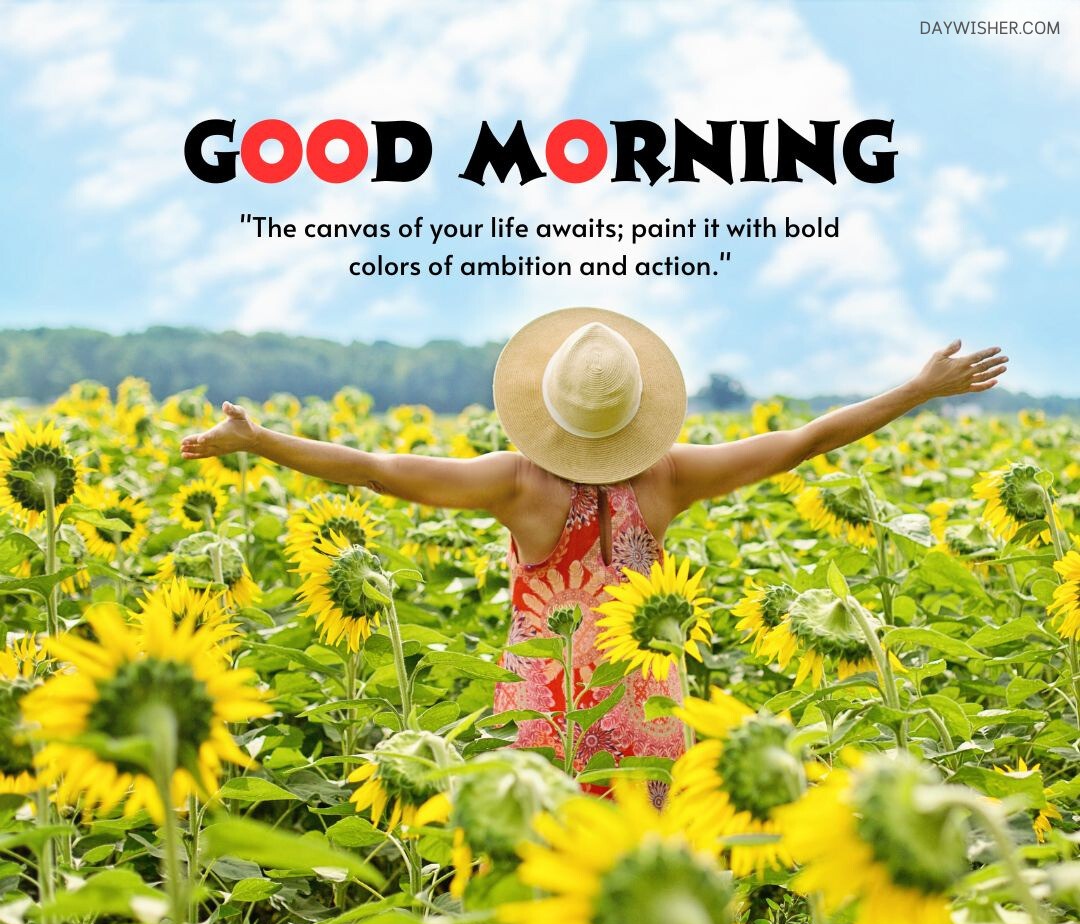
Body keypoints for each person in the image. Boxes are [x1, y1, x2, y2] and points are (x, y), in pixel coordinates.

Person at [181, 306, 1007, 778]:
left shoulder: (519, 485)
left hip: (557, 718)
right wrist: (917, 390)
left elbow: (375, 468)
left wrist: (263, 442)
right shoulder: (671, 477)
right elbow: (804, 440)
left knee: (557, 887)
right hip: (651, 716)